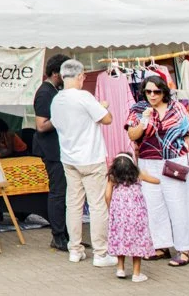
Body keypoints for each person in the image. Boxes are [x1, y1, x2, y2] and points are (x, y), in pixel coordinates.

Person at [125, 74, 189, 266]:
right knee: (153, 205)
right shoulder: (138, 109)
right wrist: (143, 122)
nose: (152, 95)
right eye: (148, 91)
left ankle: (184, 248)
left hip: (175, 160)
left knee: (179, 203)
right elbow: (132, 134)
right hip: (149, 161)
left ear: (164, 91)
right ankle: (161, 245)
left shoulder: (176, 107)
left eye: (156, 91)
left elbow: (188, 135)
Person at [49, 59, 116, 267]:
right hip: (91, 158)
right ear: (80, 76)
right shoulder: (84, 97)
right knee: (97, 205)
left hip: (69, 158)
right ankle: (100, 252)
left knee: (74, 204)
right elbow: (107, 119)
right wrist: (102, 107)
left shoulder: (56, 100)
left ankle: (75, 249)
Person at [33, 53, 72, 251]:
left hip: (61, 149)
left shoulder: (54, 91)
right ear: (56, 73)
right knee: (58, 192)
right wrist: (63, 116)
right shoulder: (45, 93)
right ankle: (58, 235)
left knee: (65, 193)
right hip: (52, 151)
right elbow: (41, 125)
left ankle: (66, 233)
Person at [105, 152, 160, 283]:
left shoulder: (113, 178)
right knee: (137, 242)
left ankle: (120, 268)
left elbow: (107, 195)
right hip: (137, 216)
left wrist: (110, 209)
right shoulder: (137, 175)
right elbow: (156, 181)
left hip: (119, 216)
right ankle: (136, 273)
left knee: (120, 240)